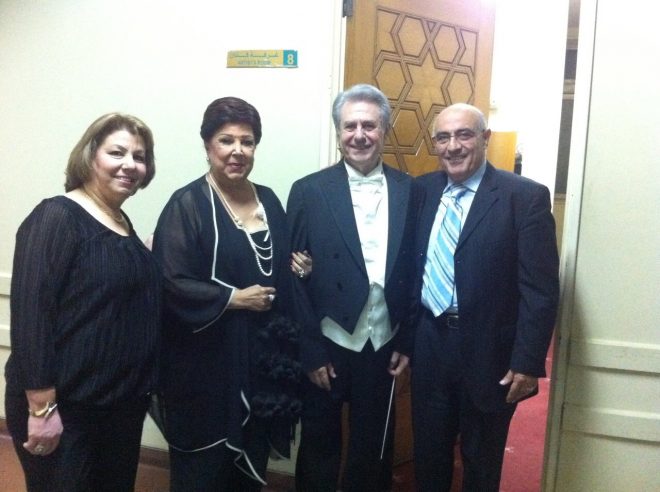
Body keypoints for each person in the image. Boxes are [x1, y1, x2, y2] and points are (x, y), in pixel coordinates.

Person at [151, 96, 310, 491]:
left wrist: (301, 267)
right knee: (203, 473)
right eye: (226, 140)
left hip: (261, 362)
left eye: (247, 141)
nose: (238, 150)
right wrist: (233, 299)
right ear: (207, 145)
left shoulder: (268, 199)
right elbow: (170, 282)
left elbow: (279, 265)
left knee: (248, 472)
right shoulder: (187, 204)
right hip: (206, 368)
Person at [4, 113, 161, 491]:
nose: (130, 165)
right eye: (117, 153)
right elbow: (31, 318)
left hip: (119, 407)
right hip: (65, 409)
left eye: (139, 157)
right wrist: (42, 409)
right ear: (90, 157)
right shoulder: (56, 216)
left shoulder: (121, 222)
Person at [411, 103, 560, 491]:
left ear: (485, 139)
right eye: (443, 137)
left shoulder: (524, 197)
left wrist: (528, 361)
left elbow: (540, 290)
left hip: (491, 354)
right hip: (430, 344)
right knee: (428, 457)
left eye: (464, 135)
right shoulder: (422, 191)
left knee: (481, 463)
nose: (453, 146)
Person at [287, 83, 421, 492]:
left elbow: (416, 271)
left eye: (369, 125)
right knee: (319, 443)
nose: (359, 135)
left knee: (375, 447)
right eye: (350, 126)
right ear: (338, 132)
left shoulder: (411, 189)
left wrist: (406, 341)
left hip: (383, 340)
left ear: (384, 130)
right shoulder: (308, 190)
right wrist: (310, 351)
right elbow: (292, 280)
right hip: (329, 339)